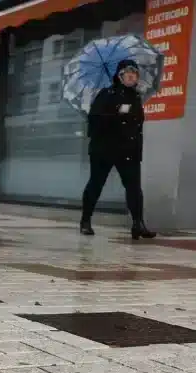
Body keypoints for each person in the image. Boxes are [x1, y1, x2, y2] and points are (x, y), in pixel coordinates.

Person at [81, 59, 155, 240]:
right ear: (119, 76)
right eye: (128, 74)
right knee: (96, 184)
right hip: (104, 149)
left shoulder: (136, 97)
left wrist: (137, 150)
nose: (132, 77)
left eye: (135, 74)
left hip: (128, 150)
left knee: (134, 188)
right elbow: (93, 122)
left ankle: (138, 224)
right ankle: (85, 221)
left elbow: (137, 126)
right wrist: (116, 114)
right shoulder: (106, 94)